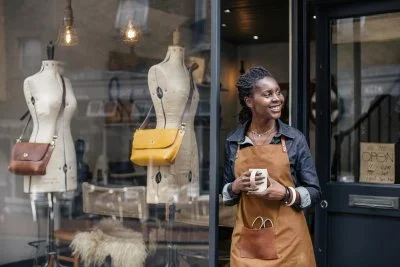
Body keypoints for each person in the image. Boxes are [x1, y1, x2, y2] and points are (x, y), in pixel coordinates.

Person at [221, 66, 321, 267]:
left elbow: (315, 191)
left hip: (290, 243)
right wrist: (235, 187)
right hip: (248, 242)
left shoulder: (294, 139)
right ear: (250, 102)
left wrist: (285, 193)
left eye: (277, 92)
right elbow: (225, 194)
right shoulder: (234, 141)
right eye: (267, 94)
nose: (277, 98)